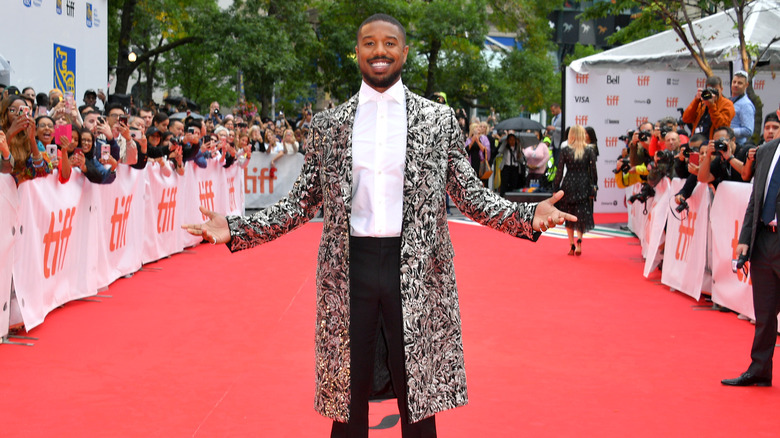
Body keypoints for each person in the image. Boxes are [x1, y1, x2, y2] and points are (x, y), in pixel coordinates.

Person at [183, 13, 574, 438]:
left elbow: (469, 195)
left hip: (419, 270)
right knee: (347, 400)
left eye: (389, 43)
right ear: (357, 53)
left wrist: (526, 216)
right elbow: (299, 203)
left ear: (405, 52)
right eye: (369, 43)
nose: (380, 51)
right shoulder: (329, 126)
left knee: (419, 400)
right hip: (351, 269)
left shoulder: (437, 120)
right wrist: (237, 228)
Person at [723, 134, 780, 387]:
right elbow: (755, 200)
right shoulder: (766, 150)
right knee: (765, 314)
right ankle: (759, 370)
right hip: (764, 241)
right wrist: (745, 238)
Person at [553, 125, 597, 256]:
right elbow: (593, 171)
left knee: (569, 214)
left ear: (571, 135)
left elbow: (559, 171)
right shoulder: (589, 150)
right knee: (581, 214)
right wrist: (594, 186)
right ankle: (579, 241)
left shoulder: (566, 150)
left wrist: (556, 188)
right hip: (583, 183)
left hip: (569, 183)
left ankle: (571, 243)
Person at [682, 75, 735, 142]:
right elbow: (686, 119)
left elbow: (722, 126)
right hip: (697, 141)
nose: (712, 93)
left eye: (715, 90)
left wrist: (712, 105)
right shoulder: (702, 102)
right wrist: (696, 100)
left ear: (721, 89)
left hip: (713, 143)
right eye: (710, 90)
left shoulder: (727, 104)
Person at [730, 70, 755, 146]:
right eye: (734, 82)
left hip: (738, 145)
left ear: (746, 85)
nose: (736, 85)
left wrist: (730, 131)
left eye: (740, 83)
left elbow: (748, 131)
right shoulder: (729, 100)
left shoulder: (746, 105)